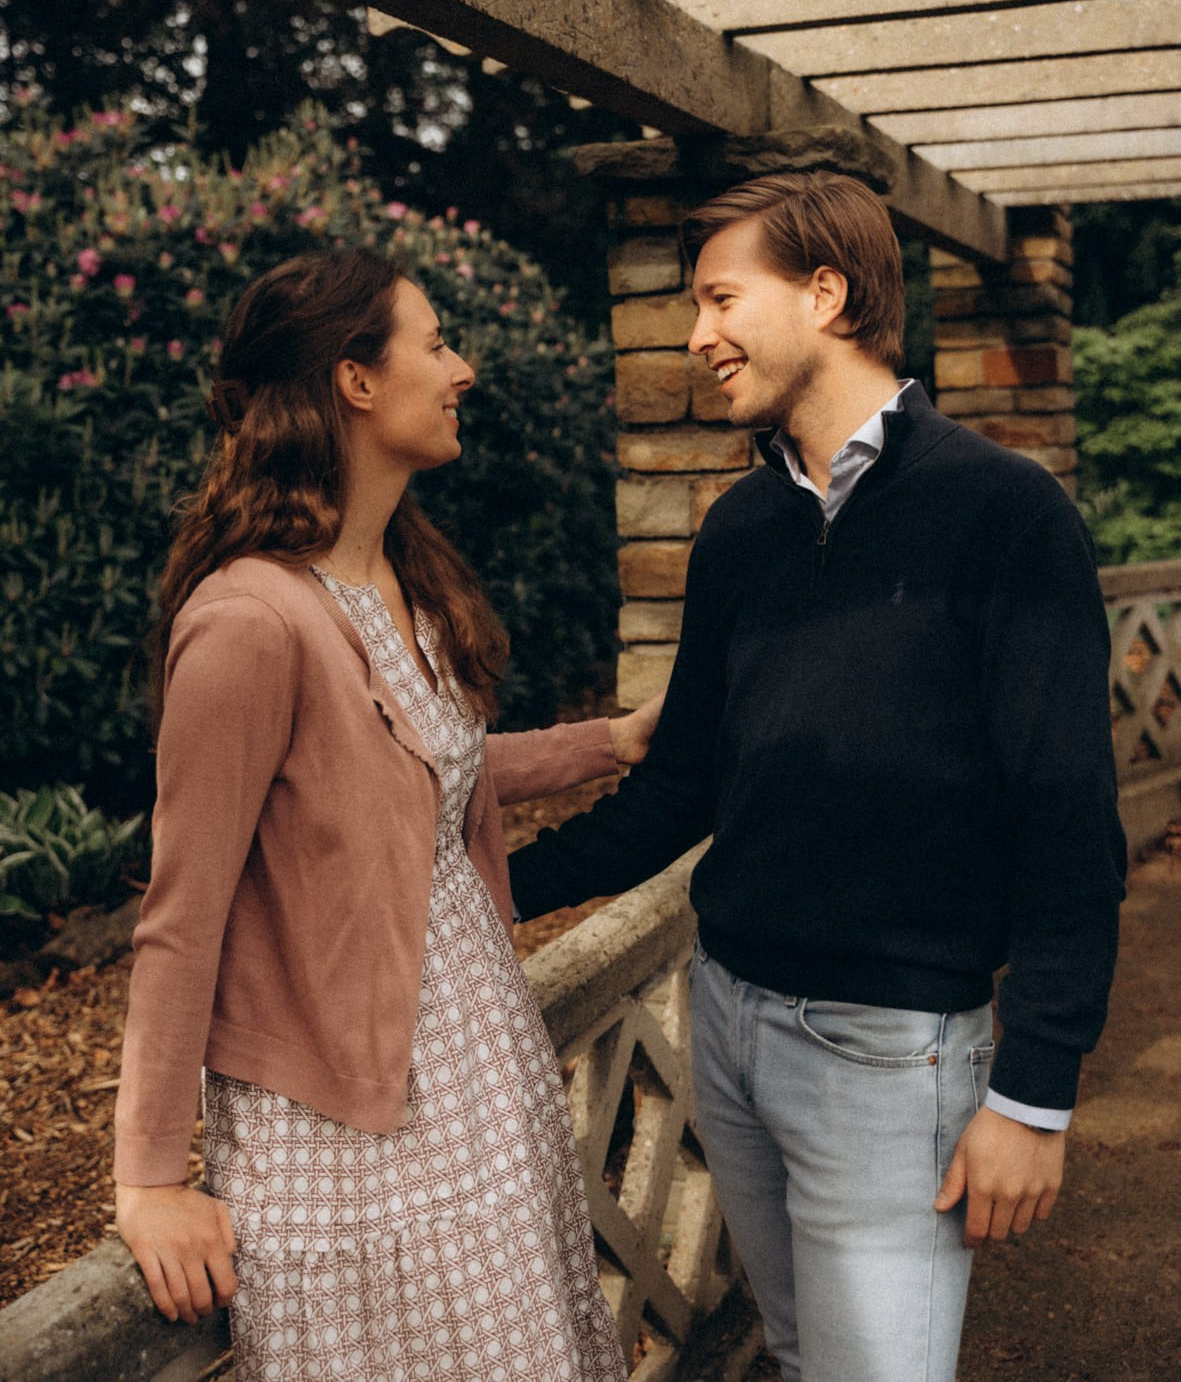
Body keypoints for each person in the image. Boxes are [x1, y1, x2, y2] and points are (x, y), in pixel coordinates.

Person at [509, 171, 1127, 1382]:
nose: (696, 335)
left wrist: (1033, 1092)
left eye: (720, 297)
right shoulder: (739, 528)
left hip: (889, 1051)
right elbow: (682, 784)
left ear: (827, 293)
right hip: (728, 1021)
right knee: (802, 1358)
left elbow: (1067, 820)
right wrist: (490, 886)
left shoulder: (1003, 510)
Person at [113, 246, 660, 1382]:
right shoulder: (247, 622)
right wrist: (151, 1175)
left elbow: (411, 774)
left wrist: (607, 741)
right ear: (355, 381)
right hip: (352, 1129)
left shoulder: (391, 578)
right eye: (436, 341)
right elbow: (182, 911)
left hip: (478, 1078)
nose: (462, 369)